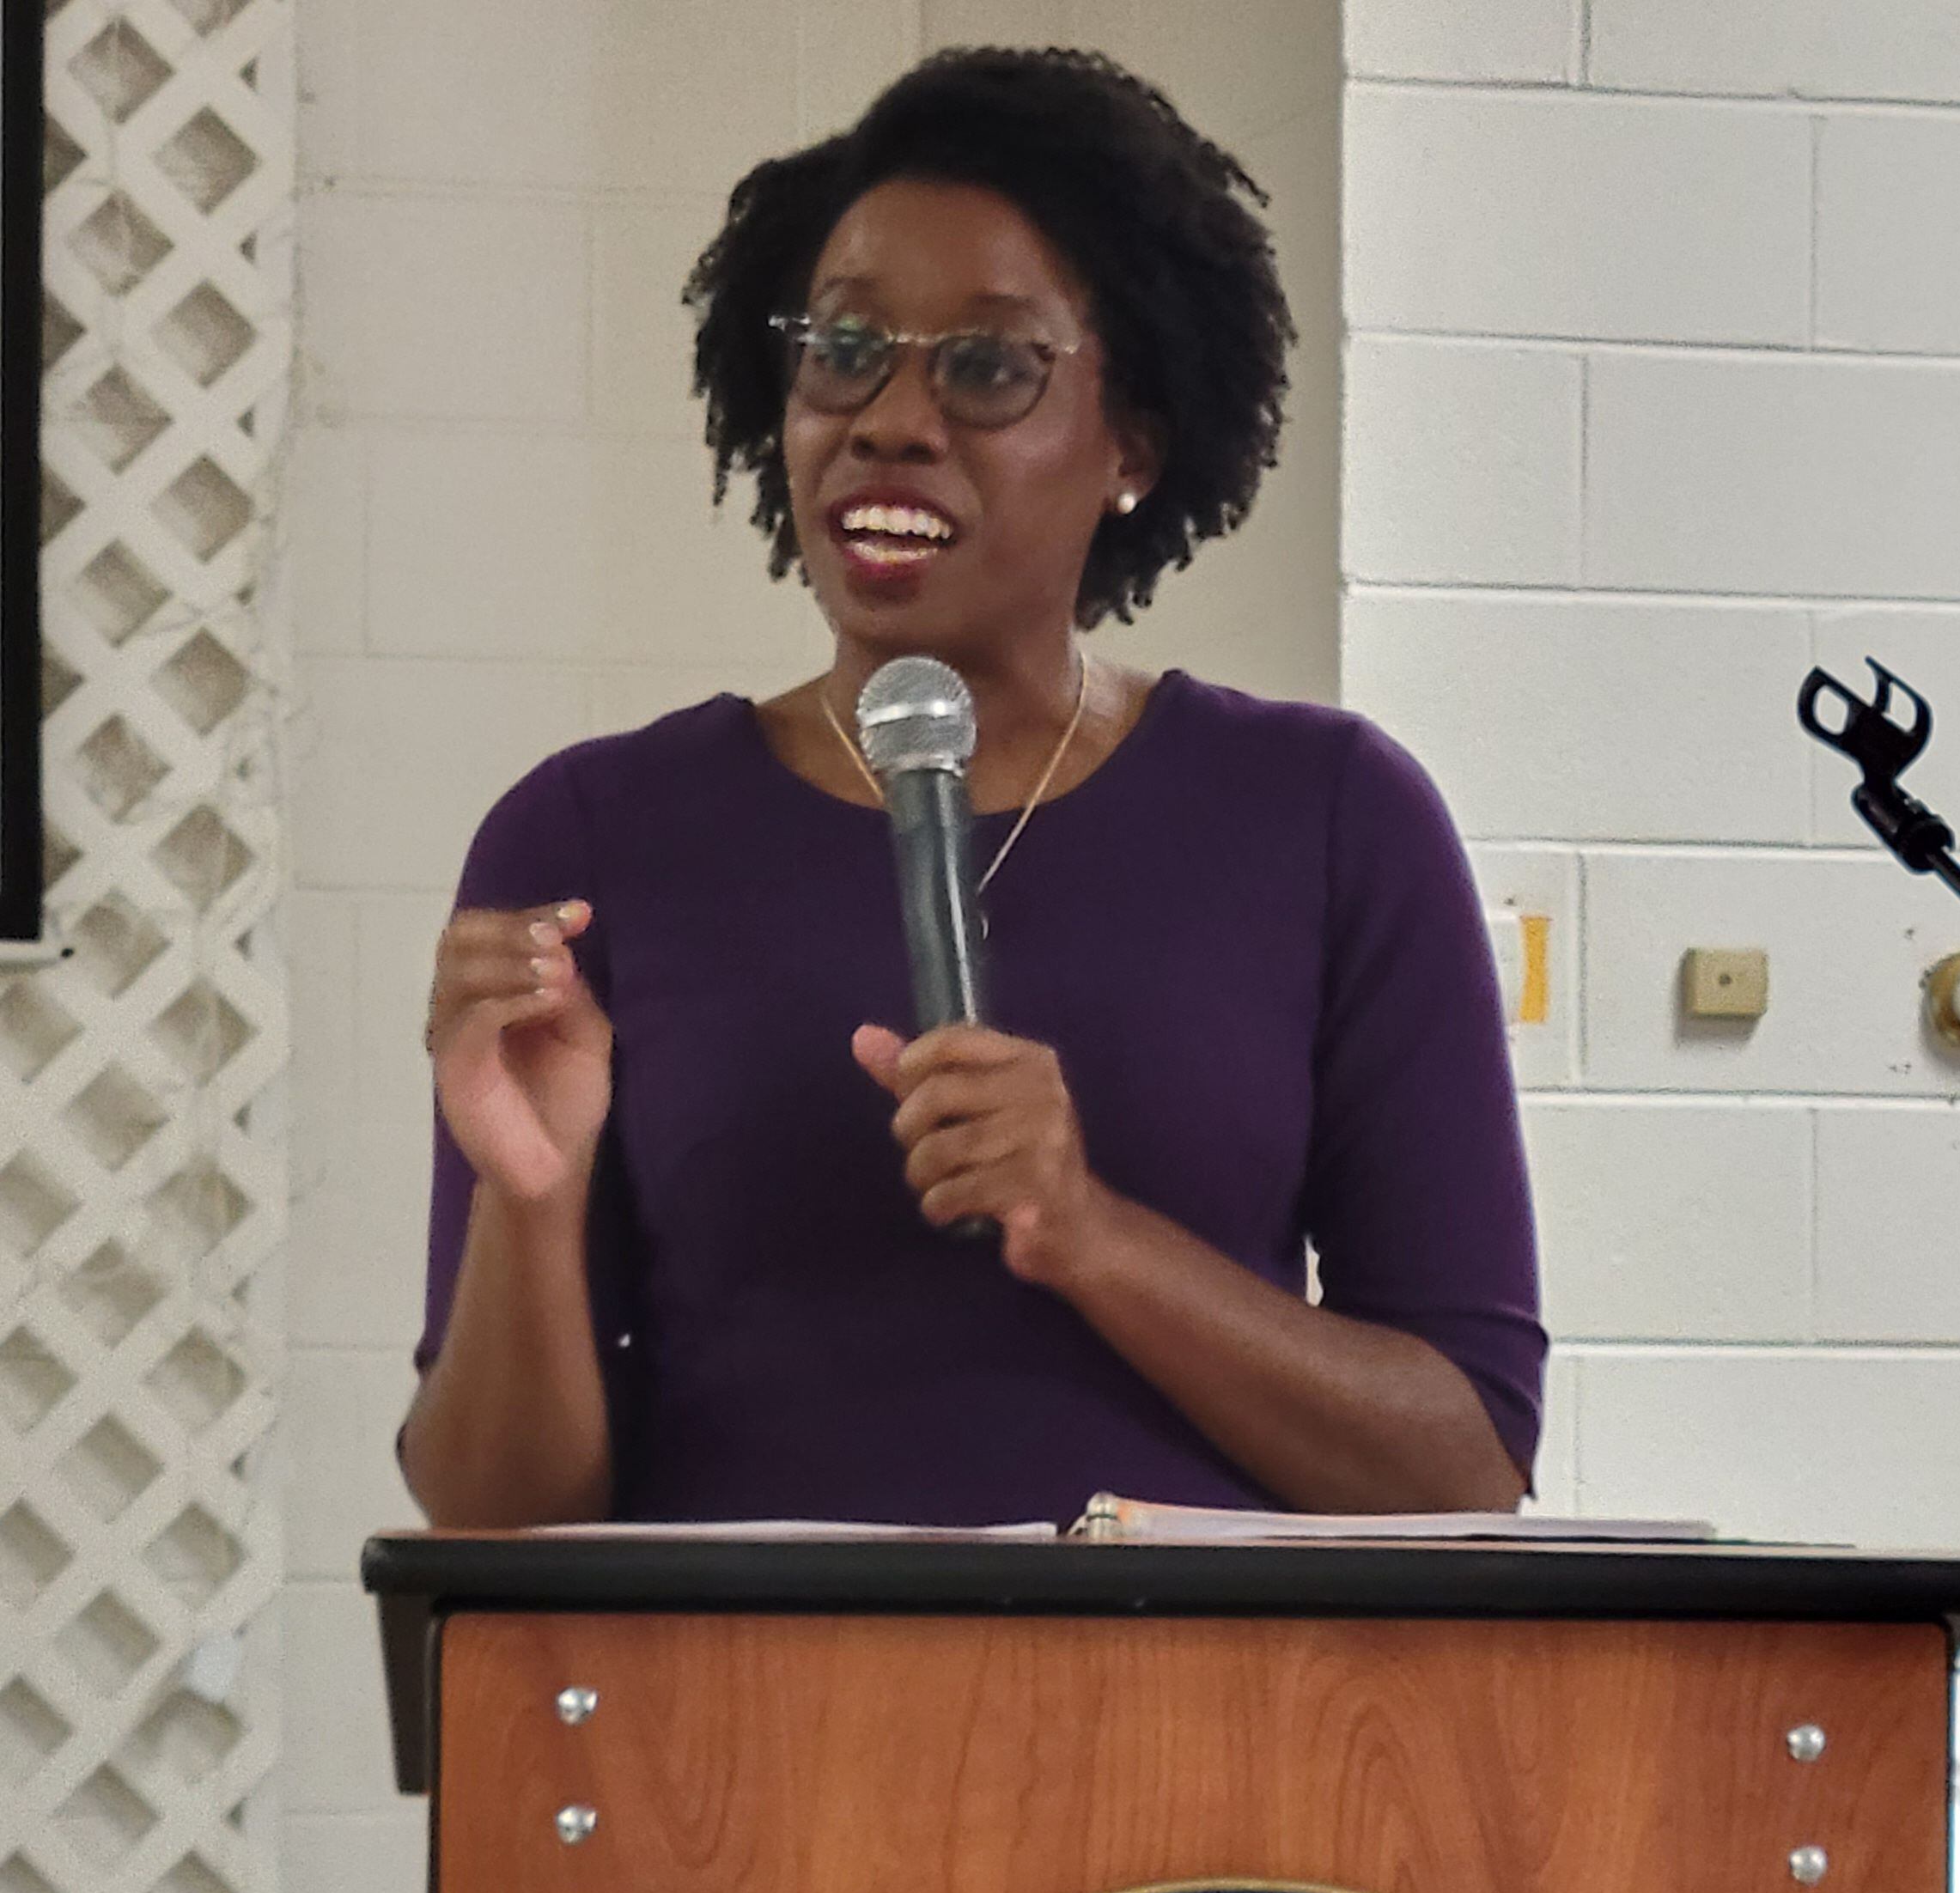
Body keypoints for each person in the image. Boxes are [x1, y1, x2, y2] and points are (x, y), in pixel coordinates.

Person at [400, 47, 1543, 1532]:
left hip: (1211, 1730)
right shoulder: (590, 837)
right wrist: (532, 1203)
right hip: (735, 1733)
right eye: (842, 349)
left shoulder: (1328, 816)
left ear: (1133, 438)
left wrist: (1090, 1235)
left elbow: (1462, 1467)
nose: (888, 416)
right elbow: (489, 1530)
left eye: (989, 365)